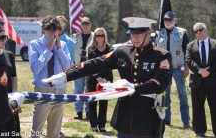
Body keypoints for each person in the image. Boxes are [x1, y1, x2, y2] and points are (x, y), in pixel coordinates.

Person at [43, 17, 173, 137]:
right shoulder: (123, 51)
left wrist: (133, 87)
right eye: (132, 34)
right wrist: (66, 75)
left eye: (139, 33)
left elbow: (160, 82)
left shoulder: (161, 55)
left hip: (147, 118)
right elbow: (95, 64)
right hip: (125, 117)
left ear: (149, 33)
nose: (135, 37)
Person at [28, 15, 72, 138]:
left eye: (56, 30)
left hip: (60, 90)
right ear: (43, 30)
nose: (53, 33)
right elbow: (35, 68)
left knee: (54, 131)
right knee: (36, 129)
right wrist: (48, 50)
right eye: (50, 30)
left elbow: (68, 67)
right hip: (43, 90)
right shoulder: (35, 44)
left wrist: (58, 48)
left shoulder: (62, 45)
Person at [0, 7, 25, 137]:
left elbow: (13, 76)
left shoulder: (8, 55)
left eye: (6, 37)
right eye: (1, 37)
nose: (5, 40)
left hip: (7, 100)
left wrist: (14, 94)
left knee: (13, 131)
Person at [186, 23, 216, 138]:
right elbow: (189, 60)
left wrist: (209, 71)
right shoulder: (190, 46)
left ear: (206, 30)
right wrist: (199, 71)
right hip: (197, 81)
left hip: (213, 81)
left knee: (215, 106)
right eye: (196, 31)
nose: (198, 32)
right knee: (197, 106)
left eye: (200, 30)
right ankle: (199, 130)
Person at [155, 11, 190, 127]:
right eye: (165, 19)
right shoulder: (160, 33)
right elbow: (156, 51)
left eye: (170, 19)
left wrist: (186, 67)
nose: (168, 22)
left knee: (182, 95)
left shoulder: (182, 32)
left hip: (178, 68)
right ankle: (167, 119)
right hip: (164, 68)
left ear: (175, 20)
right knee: (166, 95)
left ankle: (185, 121)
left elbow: (187, 51)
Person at [86, 27, 113, 132]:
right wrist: (98, 77)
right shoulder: (90, 49)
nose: (100, 38)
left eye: (102, 35)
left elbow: (111, 63)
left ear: (105, 37)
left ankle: (102, 125)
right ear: (94, 37)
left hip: (107, 79)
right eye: (97, 35)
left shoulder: (110, 48)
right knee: (93, 102)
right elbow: (89, 65)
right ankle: (94, 125)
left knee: (104, 103)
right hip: (93, 79)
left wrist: (104, 80)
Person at [73, 16, 94, 120]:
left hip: (90, 66)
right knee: (78, 90)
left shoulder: (95, 36)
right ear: (80, 25)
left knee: (89, 89)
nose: (85, 26)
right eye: (83, 24)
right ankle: (79, 111)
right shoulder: (75, 37)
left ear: (90, 25)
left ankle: (89, 112)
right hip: (78, 67)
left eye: (87, 24)